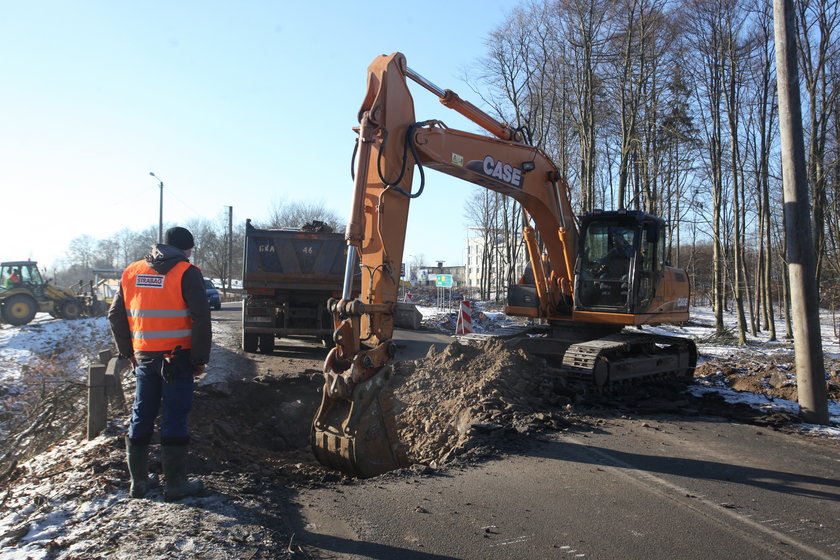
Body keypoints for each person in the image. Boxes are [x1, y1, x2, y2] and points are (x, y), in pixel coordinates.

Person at [108, 226, 211, 500]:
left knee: (142, 414)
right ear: (186, 248)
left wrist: (128, 352)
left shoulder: (132, 271)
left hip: (143, 356)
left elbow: (115, 315)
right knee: (175, 416)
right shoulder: (187, 272)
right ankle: (175, 485)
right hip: (177, 358)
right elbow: (201, 318)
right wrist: (199, 359)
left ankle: (138, 482)